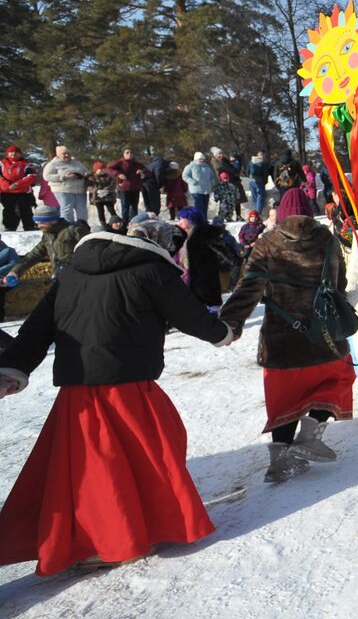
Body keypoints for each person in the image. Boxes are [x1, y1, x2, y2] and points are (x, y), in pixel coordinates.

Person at [0, 219, 236, 575]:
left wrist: (11, 369)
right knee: (146, 455)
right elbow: (190, 315)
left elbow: (37, 328)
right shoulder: (153, 270)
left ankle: (110, 534)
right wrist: (222, 334)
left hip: (77, 388)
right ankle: (118, 539)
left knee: (94, 467)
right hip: (127, 385)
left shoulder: (71, 272)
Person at [220, 187, 357, 484]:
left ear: (281, 214)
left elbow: (249, 287)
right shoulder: (328, 240)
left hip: (281, 340)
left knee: (285, 397)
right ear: (309, 211)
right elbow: (339, 283)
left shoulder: (267, 243)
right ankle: (309, 436)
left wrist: (231, 323)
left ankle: (280, 461)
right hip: (324, 336)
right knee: (337, 379)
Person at [12, 204, 91, 282]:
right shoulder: (48, 235)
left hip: (78, 276)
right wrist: (15, 271)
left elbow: (92, 251)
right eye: (37, 223)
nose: (38, 226)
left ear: (52, 220)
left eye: (41, 222)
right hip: (59, 276)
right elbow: (34, 254)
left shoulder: (73, 231)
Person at [175, 206, 234, 308]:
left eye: (181, 218)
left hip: (205, 283)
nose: (179, 221)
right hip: (188, 281)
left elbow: (228, 254)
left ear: (190, 218)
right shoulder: (182, 235)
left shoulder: (205, 233)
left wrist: (221, 265)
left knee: (207, 312)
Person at [43, 145, 90, 225]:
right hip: (63, 190)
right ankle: (68, 227)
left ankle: (83, 226)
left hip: (80, 190)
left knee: (82, 210)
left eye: (68, 153)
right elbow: (47, 176)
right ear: (58, 155)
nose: (67, 155)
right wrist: (64, 177)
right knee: (67, 210)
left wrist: (86, 174)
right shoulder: (53, 164)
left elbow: (86, 171)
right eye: (64, 154)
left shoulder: (77, 162)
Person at [1, 145, 38, 230]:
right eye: (11, 152)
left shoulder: (27, 164)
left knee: (26, 210)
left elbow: (31, 177)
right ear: (7, 153)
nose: (13, 154)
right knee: (9, 210)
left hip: (24, 192)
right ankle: (10, 227)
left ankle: (29, 226)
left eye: (16, 152)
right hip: (7, 192)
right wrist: (8, 186)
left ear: (20, 154)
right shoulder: (2, 163)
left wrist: (17, 184)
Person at [108, 148, 146, 223]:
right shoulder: (119, 162)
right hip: (124, 188)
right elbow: (109, 169)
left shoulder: (137, 164)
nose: (129, 154)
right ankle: (125, 224)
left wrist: (142, 171)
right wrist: (118, 174)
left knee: (134, 207)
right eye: (127, 152)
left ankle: (133, 223)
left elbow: (147, 171)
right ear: (123, 154)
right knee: (125, 207)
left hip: (135, 188)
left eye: (131, 152)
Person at [182, 152, 215, 219]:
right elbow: (185, 176)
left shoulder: (207, 167)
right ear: (196, 159)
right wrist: (193, 182)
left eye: (203, 159)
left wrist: (211, 183)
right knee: (199, 207)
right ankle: (199, 220)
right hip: (196, 190)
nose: (202, 160)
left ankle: (204, 220)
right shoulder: (190, 166)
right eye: (200, 159)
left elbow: (212, 177)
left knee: (205, 207)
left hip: (206, 190)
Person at [89, 161, 118, 227]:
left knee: (111, 210)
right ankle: (103, 224)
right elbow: (89, 186)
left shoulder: (109, 177)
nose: (102, 171)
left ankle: (116, 221)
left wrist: (107, 190)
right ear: (96, 170)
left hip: (108, 197)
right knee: (100, 211)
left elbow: (113, 185)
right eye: (100, 169)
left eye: (103, 169)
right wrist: (96, 190)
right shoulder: (92, 178)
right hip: (97, 198)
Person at [247, 150, 270, 215]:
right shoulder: (263, 162)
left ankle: (255, 214)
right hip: (260, 181)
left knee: (254, 198)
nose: (263, 156)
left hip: (251, 181)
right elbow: (265, 174)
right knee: (260, 198)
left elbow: (247, 171)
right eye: (262, 154)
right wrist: (265, 182)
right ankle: (257, 214)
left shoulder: (251, 161)